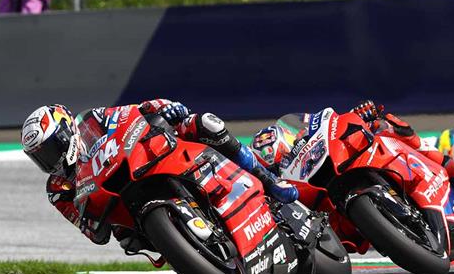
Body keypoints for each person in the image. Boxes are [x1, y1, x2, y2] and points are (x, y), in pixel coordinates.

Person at [20, 100, 298, 253]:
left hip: (143, 163)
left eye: (51, 148)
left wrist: (165, 109)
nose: (49, 159)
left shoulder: (95, 120)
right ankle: (191, 251)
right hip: (126, 209)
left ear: (67, 132)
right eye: (40, 157)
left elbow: (136, 112)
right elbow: (94, 234)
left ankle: (268, 180)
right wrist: (90, 219)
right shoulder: (58, 188)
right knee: (127, 239)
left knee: (204, 123)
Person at [250, 100, 454, 187]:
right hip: (322, 200)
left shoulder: (305, 135)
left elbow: (334, 126)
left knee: (386, 128)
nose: (282, 162)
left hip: (346, 163)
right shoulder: (281, 183)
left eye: (284, 154)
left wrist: (359, 115)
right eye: (274, 166)